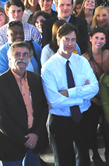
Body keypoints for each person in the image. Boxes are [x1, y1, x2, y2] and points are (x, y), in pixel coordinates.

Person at [42, 23, 99, 166]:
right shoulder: (49, 67)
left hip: (83, 118)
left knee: (84, 159)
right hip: (60, 120)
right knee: (64, 161)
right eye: (66, 39)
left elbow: (95, 88)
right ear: (58, 39)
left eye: (73, 40)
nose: (70, 43)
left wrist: (68, 93)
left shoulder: (82, 61)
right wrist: (83, 97)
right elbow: (55, 101)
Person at [0, 41, 49, 165]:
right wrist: (24, 139)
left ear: (30, 58)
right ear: (9, 58)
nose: (21, 58)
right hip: (10, 141)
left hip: (35, 139)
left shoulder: (37, 79)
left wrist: (36, 134)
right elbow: (1, 119)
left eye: (25, 54)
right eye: (17, 54)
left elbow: (43, 108)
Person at [82, 27, 109, 165]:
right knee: (91, 129)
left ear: (105, 40)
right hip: (91, 100)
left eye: (102, 38)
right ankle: (95, 155)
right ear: (90, 38)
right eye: (96, 37)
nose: (99, 41)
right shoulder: (83, 58)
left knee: (108, 129)